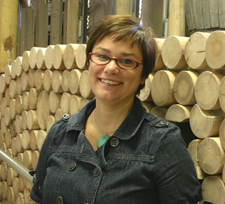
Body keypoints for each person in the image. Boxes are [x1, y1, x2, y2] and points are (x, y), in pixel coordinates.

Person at [30, 15, 204, 204]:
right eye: (102, 56)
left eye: (127, 61)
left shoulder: (161, 142)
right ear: (90, 62)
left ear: (143, 76)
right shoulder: (60, 133)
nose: (111, 68)